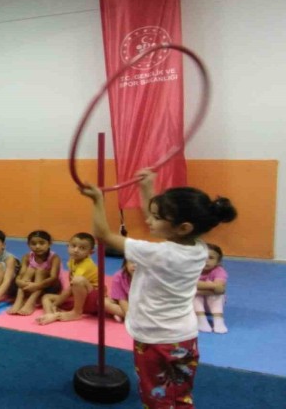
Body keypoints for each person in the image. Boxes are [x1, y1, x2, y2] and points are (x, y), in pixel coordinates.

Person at [80, 168, 237, 408]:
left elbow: (102, 235)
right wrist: (147, 189)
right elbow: (165, 226)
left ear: (183, 227)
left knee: (156, 396)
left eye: (156, 217)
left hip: (155, 338)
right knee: (180, 393)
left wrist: (97, 201)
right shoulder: (199, 248)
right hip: (184, 337)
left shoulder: (158, 253)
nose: (148, 220)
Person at [36, 232, 99, 324]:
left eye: (82, 248)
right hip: (78, 296)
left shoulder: (86, 265)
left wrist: (55, 303)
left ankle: (77, 312)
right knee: (46, 297)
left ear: (91, 252)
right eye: (73, 246)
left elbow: (71, 287)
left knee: (78, 280)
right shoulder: (73, 259)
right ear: (68, 246)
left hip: (92, 298)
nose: (76, 250)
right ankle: (50, 315)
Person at [7, 230, 61, 316]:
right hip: (29, 285)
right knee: (30, 270)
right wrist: (19, 281)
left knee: (40, 271)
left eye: (42, 243)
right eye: (33, 244)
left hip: (48, 286)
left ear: (49, 243)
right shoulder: (27, 257)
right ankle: (19, 301)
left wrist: (37, 285)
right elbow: (21, 274)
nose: (37, 246)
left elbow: (53, 277)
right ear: (28, 244)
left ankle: (31, 302)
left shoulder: (54, 258)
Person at [194, 243, 229, 333]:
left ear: (218, 261)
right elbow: (191, 283)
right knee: (194, 296)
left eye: (211, 258)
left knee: (217, 295)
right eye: (203, 258)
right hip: (194, 306)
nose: (206, 261)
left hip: (213, 305)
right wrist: (213, 286)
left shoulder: (219, 271)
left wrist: (195, 290)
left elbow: (220, 290)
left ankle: (218, 320)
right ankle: (201, 319)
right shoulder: (192, 270)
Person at [104, 257, 136, 322]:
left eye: (139, 263)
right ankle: (132, 317)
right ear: (126, 263)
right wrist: (129, 315)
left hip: (142, 305)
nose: (135, 265)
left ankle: (126, 316)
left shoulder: (150, 278)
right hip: (123, 303)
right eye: (132, 262)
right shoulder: (119, 276)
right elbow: (122, 300)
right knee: (103, 302)